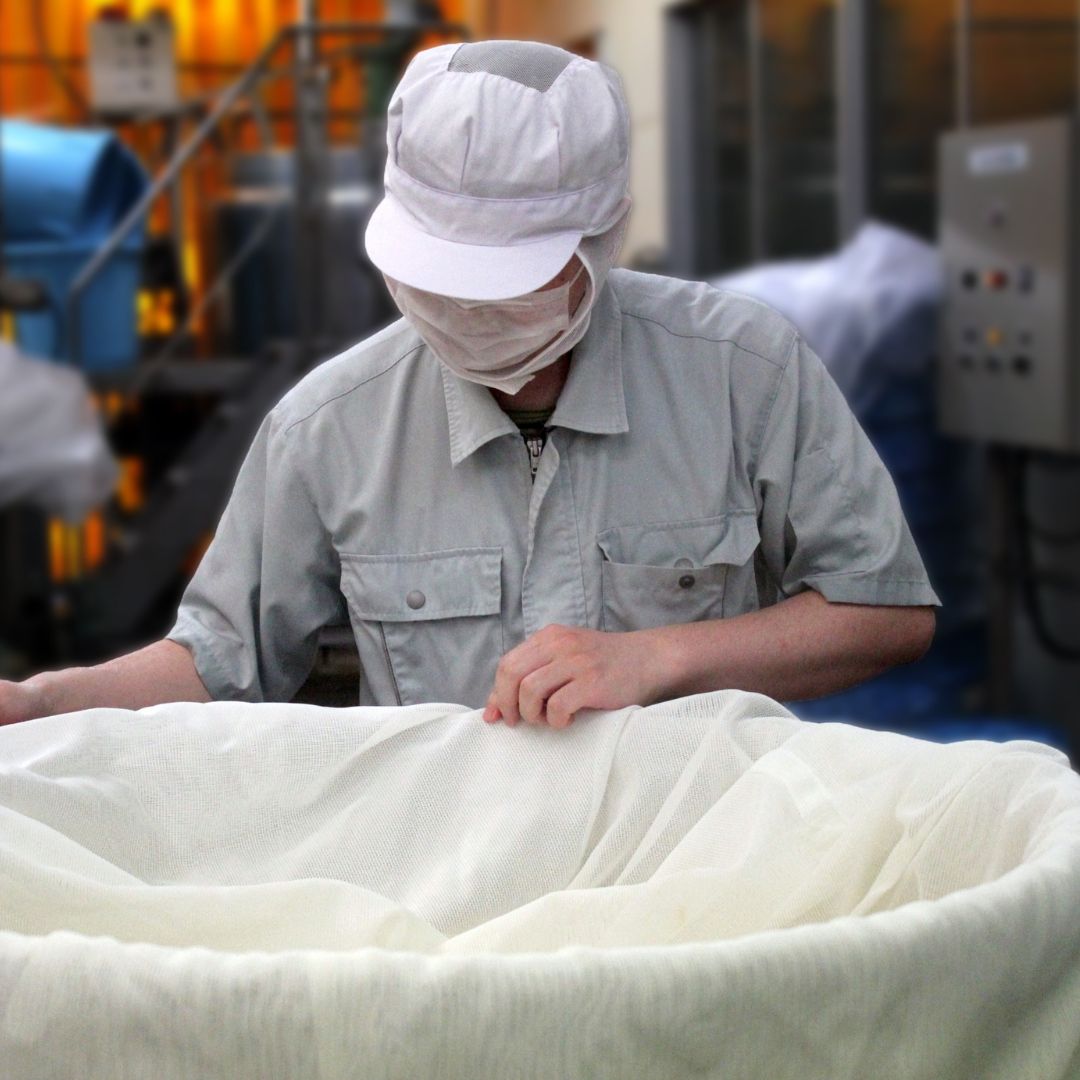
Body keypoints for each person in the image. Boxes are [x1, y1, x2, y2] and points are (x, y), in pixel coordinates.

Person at [0, 40, 937, 730]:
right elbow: (215, 662)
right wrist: (40, 700)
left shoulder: (744, 370)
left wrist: (660, 656)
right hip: (452, 888)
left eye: (506, 284)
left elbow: (885, 611)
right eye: (439, 281)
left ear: (600, 240)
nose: (467, 313)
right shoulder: (328, 428)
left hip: (695, 856)